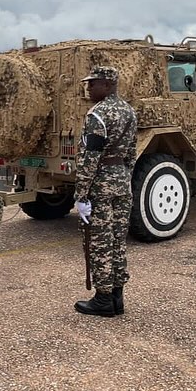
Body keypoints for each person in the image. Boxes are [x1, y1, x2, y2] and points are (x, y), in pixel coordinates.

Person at [73, 65, 137, 317]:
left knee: (100, 241)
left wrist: (81, 194)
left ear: (108, 85)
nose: (88, 88)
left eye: (94, 83)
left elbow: (90, 158)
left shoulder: (98, 114)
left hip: (100, 183)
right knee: (118, 240)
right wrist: (124, 176)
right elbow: (132, 151)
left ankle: (103, 298)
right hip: (121, 179)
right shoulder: (129, 111)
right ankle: (117, 296)